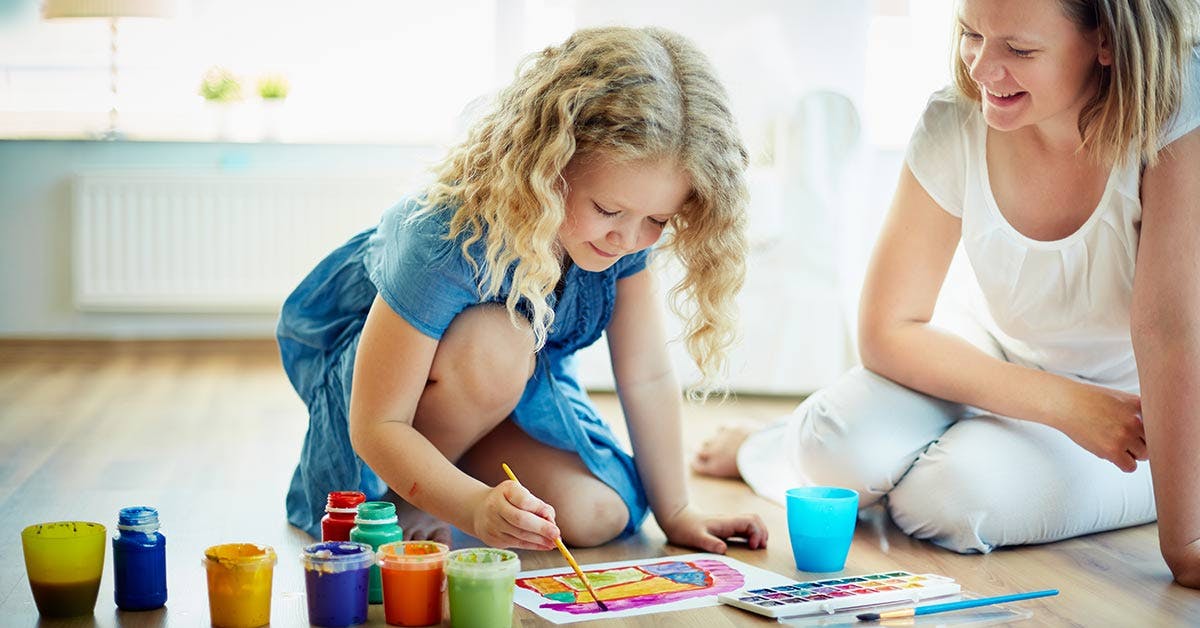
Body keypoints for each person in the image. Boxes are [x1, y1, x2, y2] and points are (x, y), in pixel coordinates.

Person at [693, 0, 1199, 587]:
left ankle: (938, 460)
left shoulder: (1178, 110)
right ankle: (771, 445)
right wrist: (1065, 406)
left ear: (1105, 43)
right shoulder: (956, 117)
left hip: (1141, 414)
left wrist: (1186, 543)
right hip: (1011, 368)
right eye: (971, 34)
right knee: (830, 444)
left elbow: (1171, 332)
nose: (982, 68)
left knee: (955, 502)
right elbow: (888, 329)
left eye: (1019, 49)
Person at [277, 25, 767, 554]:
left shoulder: (621, 238)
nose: (628, 238)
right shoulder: (443, 236)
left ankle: (446, 474)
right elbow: (377, 423)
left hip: (507, 399)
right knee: (499, 341)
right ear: (548, 165)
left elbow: (646, 376)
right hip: (388, 414)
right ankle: (406, 494)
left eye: (657, 219)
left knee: (597, 515)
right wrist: (468, 507)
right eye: (608, 210)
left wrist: (677, 513)